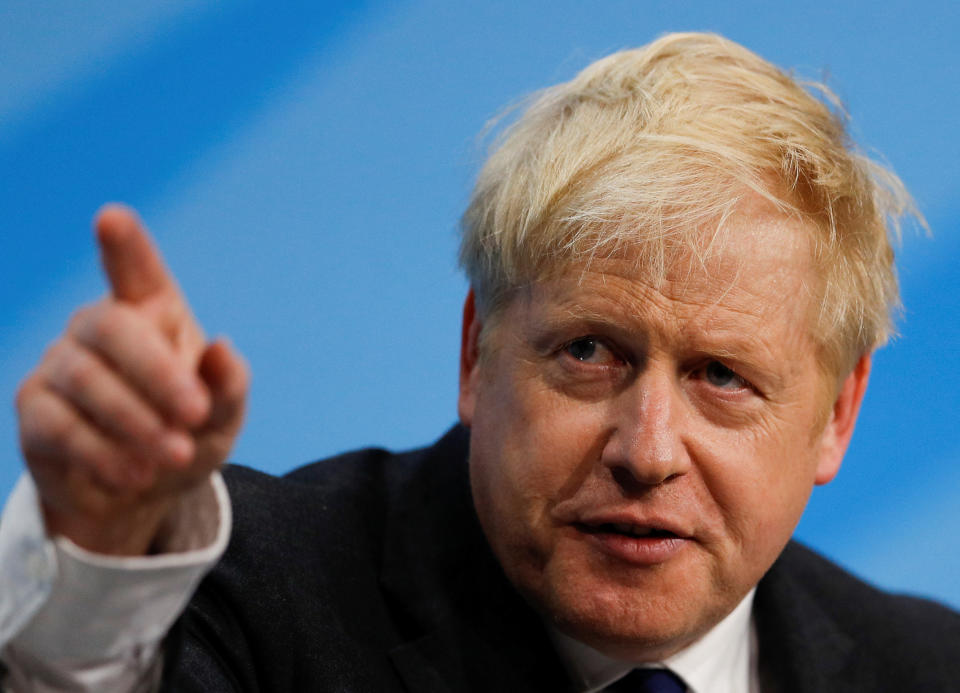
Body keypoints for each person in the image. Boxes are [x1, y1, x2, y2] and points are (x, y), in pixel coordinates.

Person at [1, 31, 958, 692]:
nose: (648, 449)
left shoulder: (926, 667)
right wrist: (98, 570)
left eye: (721, 375)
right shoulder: (255, 596)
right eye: (590, 352)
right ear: (476, 354)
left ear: (836, 415)